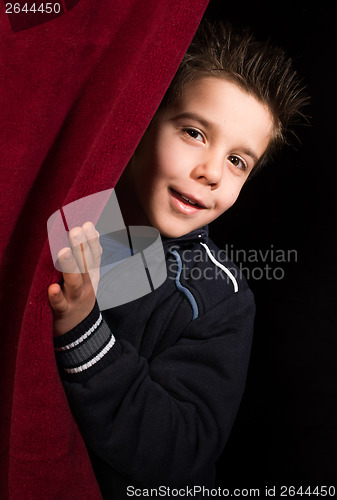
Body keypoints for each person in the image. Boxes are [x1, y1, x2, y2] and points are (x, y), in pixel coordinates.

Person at [48, 20, 307, 498]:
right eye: (193, 132)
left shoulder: (219, 297)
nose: (210, 171)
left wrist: (84, 331)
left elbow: (180, 452)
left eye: (237, 161)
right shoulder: (70, 208)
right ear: (142, 122)